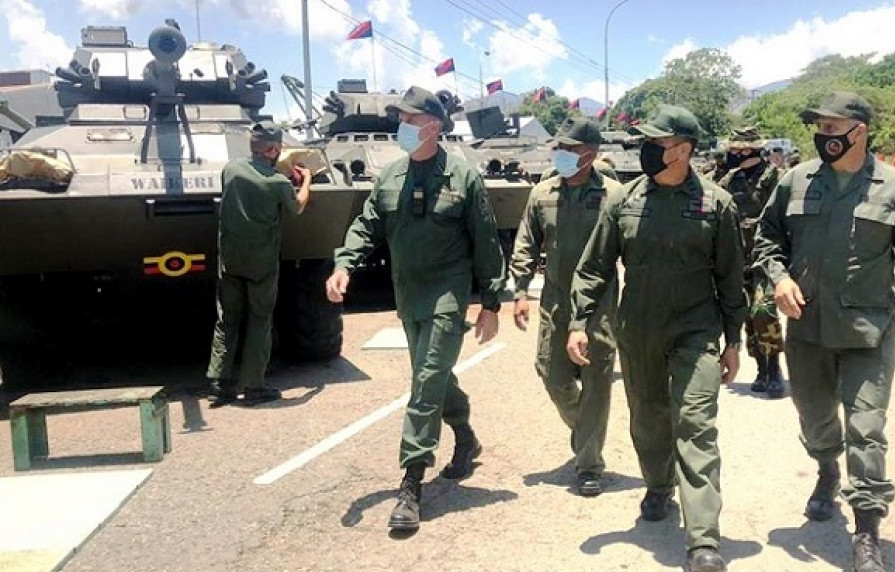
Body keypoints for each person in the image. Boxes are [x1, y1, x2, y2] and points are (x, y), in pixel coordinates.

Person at [567, 104, 745, 572]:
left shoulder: (716, 203)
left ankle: (703, 538)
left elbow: (731, 278)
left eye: (656, 142)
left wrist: (733, 340)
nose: (644, 149)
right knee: (648, 419)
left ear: (683, 150)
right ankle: (659, 485)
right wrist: (577, 322)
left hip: (696, 328)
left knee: (696, 425)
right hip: (640, 328)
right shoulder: (622, 200)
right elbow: (593, 268)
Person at [325, 85, 505, 532]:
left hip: (448, 295)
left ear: (435, 126)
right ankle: (466, 437)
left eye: (409, 119)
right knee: (434, 375)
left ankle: (411, 482)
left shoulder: (463, 177)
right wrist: (344, 264)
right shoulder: (390, 177)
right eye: (399, 119)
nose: (401, 126)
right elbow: (367, 224)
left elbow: (486, 241)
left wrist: (492, 301)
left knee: (425, 383)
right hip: (409, 296)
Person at [754, 91, 895, 572]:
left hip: (868, 329)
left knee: (867, 429)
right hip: (808, 329)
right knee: (816, 419)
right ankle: (826, 468)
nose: (823, 136)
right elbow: (767, 238)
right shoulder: (794, 181)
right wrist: (780, 279)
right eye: (819, 127)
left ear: (860, 131)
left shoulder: (891, 186)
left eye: (833, 128)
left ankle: (866, 533)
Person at [509, 117, 623, 496]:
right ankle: (583, 427)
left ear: (589, 154)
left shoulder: (615, 195)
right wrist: (521, 289)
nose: (560, 154)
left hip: (600, 304)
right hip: (555, 300)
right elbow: (526, 242)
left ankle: (589, 463)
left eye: (569, 149)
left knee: (596, 382)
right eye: (558, 148)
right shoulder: (542, 194)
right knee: (552, 375)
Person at [206, 121, 311, 407]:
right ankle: (253, 386)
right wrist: (306, 181)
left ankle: (219, 381)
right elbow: (297, 206)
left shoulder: (231, 169)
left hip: (230, 259)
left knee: (227, 318)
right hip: (261, 263)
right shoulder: (277, 183)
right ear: (274, 149)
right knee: (259, 320)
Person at [719, 127, 785, 398]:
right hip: (737, 257)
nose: (737, 154)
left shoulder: (772, 177)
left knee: (764, 311)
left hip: (764, 256)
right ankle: (761, 368)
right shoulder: (727, 178)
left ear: (754, 150)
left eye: (742, 149)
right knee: (747, 315)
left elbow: (780, 215)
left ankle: (774, 368)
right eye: (734, 149)